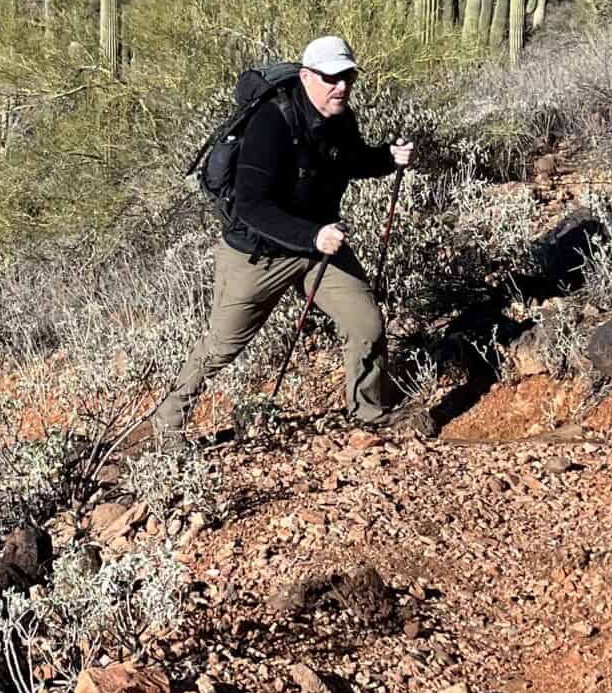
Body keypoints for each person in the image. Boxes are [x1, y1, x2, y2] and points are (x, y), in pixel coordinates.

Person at [154, 34, 426, 447]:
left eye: (348, 76)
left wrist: (388, 158)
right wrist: (312, 234)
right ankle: (167, 425)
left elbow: (351, 161)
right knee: (221, 347)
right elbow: (251, 206)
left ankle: (369, 413)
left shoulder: (340, 118)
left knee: (366, 323)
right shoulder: (272, 122)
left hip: (319, 248)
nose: (342, 86)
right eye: (332, 78)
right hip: (258, 255)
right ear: (306, 76)